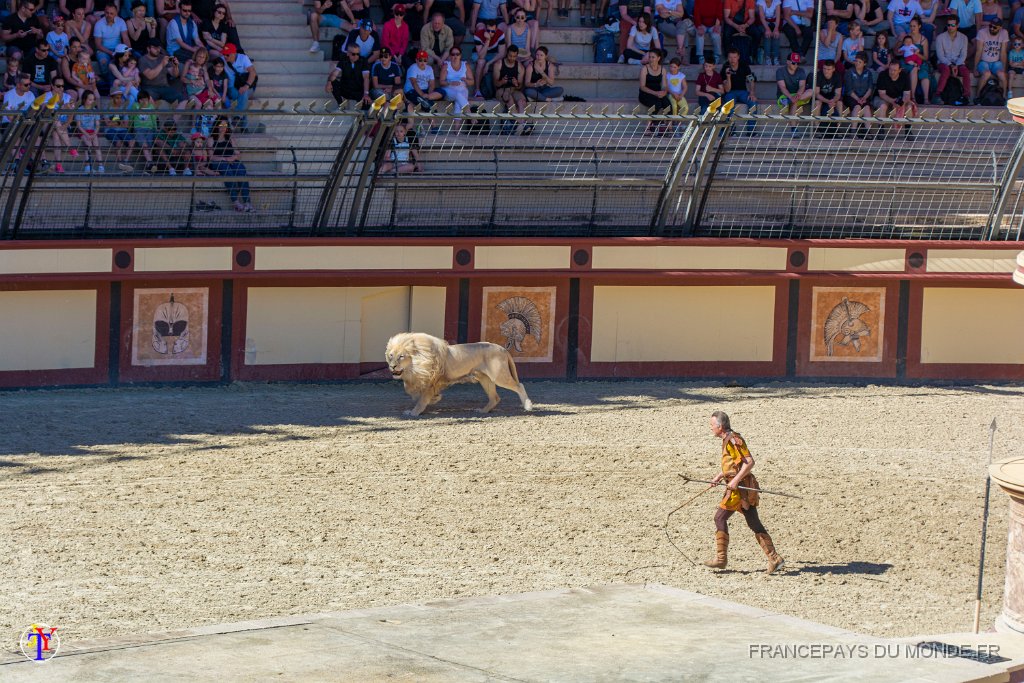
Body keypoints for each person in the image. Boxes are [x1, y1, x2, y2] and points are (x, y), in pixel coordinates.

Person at [703, 410, 785, 575]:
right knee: (753, 522)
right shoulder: (727, 439)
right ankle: (774, 558)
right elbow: (734, 464)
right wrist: (721, 475)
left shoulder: (733, 440)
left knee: (720, 517)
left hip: (740, 490)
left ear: (720, 426)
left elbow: (749, 462)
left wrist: (733, 481)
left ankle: (721, 559)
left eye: (712, 425)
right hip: (737, 488)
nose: (710, 428)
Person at [208, 114, 253, 212]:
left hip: (231, 160)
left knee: (241, 170)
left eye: (225, 125)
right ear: (217, 126)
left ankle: (247, 202)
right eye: (221, 125)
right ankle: (236, 202)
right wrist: (224, 159)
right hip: (218, 162)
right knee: (228, 172)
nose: (223, 128)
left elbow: (238, 153)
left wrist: (233, 157)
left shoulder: (230, 139)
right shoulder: (211, 140)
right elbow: (211, 157)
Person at [221, 43, 256, 127]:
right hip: (231, 88)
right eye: (224, 54)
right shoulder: (222, 59)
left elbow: (253, 72)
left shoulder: (243, 58)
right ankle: (242, 123)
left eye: (227, 54)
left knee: (243, 93)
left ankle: (238, 117)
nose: (225, 56)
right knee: (243, 95)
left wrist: (246, 86)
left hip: (245, 86)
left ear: (233, 53)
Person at [936, 16, 971, 100]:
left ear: (957, 25)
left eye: (952, 25)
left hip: (958, 63)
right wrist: (951, 65)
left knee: (966, 72)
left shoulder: (964, 38)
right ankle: (938, 95)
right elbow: (940, 55)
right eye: (948, 25)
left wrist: (956, 65)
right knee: (946, 70)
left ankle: (966, 96)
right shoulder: (940, 37)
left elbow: (963, 55)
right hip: (944, 63)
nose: (950, 27)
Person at [93, 2, 129, 81]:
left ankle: (118, 81)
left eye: (111, 13)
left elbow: (125, 38)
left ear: (116, 13)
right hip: (103, 50)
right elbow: (98, 45)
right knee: (104, 62)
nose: (109, 15)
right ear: (104, 12)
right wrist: (111, 53)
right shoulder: (99, 24)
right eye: (107, 13)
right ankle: (109, 82)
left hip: (118, 48)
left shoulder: (121, 21)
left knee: (127, 59)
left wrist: (128, 50)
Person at [139, 37, 182, 104]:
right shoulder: (143, 60)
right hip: (149, 88)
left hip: (164, 87)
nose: (157, 50)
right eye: (155, 48)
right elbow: (150, 76)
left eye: (158, 47)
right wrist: (162, 64)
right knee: (147, 101)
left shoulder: (162, 57)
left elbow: (174, 74)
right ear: (148, 48)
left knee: (181, 99)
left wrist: (175, 66)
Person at [975, 17, 1008, 100]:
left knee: (1002, 75)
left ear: (1000, 28)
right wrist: (975, 68)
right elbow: (978, 51)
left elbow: (1003, 53)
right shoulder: (982, 32)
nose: (992, 28)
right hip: (984, 61)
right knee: (987, 73)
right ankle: (977, 96)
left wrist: (1003, 68)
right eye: (990, 26)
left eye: (995, 27)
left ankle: (1003, 97)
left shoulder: (1004, 33)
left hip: (996, 62)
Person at [843, 50, 875, 134]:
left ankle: (868, 132)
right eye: (856, 61)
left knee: (867, 108)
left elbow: (870, 88)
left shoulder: (868, 73)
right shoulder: (849, 72)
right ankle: (853, 131)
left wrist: (864, 98)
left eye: (860, 62)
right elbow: (849, 90)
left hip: (864, 97)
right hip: (851, 97)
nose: (857, 63)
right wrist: (858, 99)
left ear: (864, 63)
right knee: (857, 107)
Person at [493, 43, 527, 115]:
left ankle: (520, 123)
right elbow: (495, 83)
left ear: (517, 56)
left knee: (522, 102)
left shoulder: (520, 67)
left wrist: (516, 84)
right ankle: (521, 123)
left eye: (514, 56)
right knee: (509, 99)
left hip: (513, 89)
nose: (512, 58)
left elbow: (520, 86)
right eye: (510, 56)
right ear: (506, 54)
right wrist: (502, 82)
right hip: (501, 89)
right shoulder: (499, 64)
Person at [75, 90, 104, 173]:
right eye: (90, 100)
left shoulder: (94, 110)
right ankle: (88, 166)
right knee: (88, 144)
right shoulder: (80, 110)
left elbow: (97, 125)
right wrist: (86, 134)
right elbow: (79, 126)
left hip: (92, 131)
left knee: (96, 144)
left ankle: (101, 166)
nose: (92, 101)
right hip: (83, 131)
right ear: (84, 100)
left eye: (93, 99)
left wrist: (94, 133)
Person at [756, 0, 782, 64]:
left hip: (774, 22)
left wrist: (776, 29)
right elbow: (762, 17)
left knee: (776, 35)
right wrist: (767, 29)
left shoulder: (777, 1)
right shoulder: (760, 2)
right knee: (767, 35)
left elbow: (778, 17)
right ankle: (767, 57)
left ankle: (776, 58)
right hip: (763, 23)